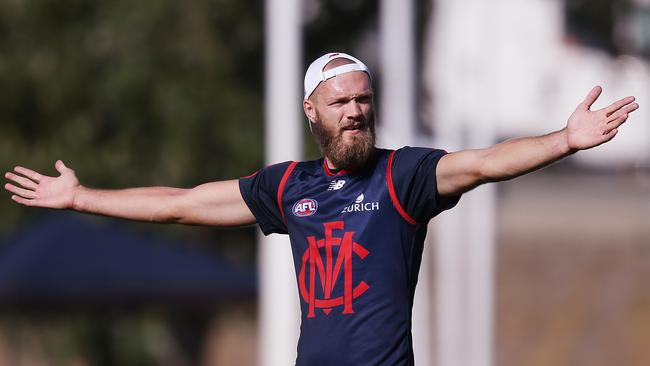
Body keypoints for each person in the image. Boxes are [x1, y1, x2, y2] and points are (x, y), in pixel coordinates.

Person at [4, 52, 639, 365]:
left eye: (363, 99)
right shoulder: (289, 188)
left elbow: (483, 161)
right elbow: (183, 204)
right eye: (341, 103)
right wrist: (82, 197)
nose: (356, 111)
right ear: (313, 111)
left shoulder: (405, 175)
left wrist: (563, 140)